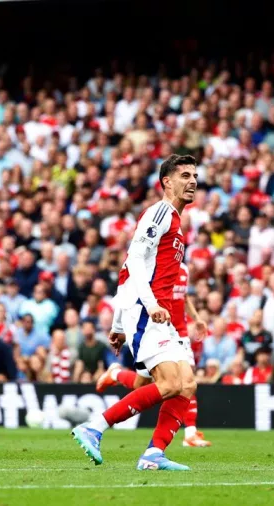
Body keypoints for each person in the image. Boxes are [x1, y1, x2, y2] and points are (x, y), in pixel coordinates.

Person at [71, 154, 198, 471]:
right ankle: (94, 427)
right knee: (169, 384)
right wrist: (149, 305)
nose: (192, 181)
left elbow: (126, 272)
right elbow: (134, 260)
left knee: (186, 383)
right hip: (148, 308)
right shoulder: (160, 212)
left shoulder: (177, 222)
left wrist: (118, 323)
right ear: (167, 181)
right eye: (184, 175)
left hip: (155, 312)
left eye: (194, 175)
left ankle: (154, 452)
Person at [96, 262, 212, 448]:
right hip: (156, 332)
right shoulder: (154, 266)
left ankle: (189, 432)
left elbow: (184, 297)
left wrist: (196, 318)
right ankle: (115, 374)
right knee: (140, 384)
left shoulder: (184, 269)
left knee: (187, 381)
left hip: (179, 333)